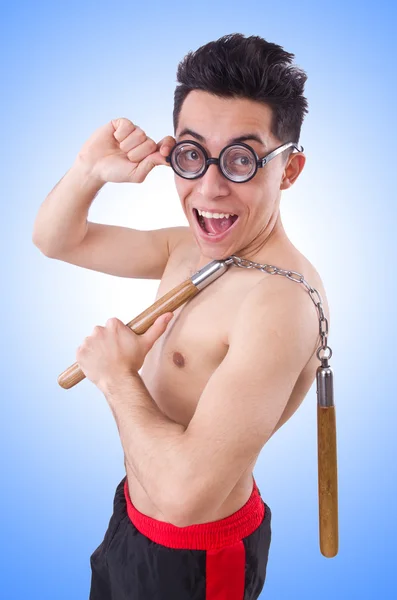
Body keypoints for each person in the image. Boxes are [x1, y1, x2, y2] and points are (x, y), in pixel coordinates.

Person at [32, 33, 330, 600]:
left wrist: (117, 377)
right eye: (192, 155)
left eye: (242, 160)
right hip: (135, 515)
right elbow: (55, 239)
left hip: (198, 556)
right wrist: (88, 171)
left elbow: (185, 498)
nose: (209, 187)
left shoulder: (279, 304)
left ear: (288, 169)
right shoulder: (187, 250)